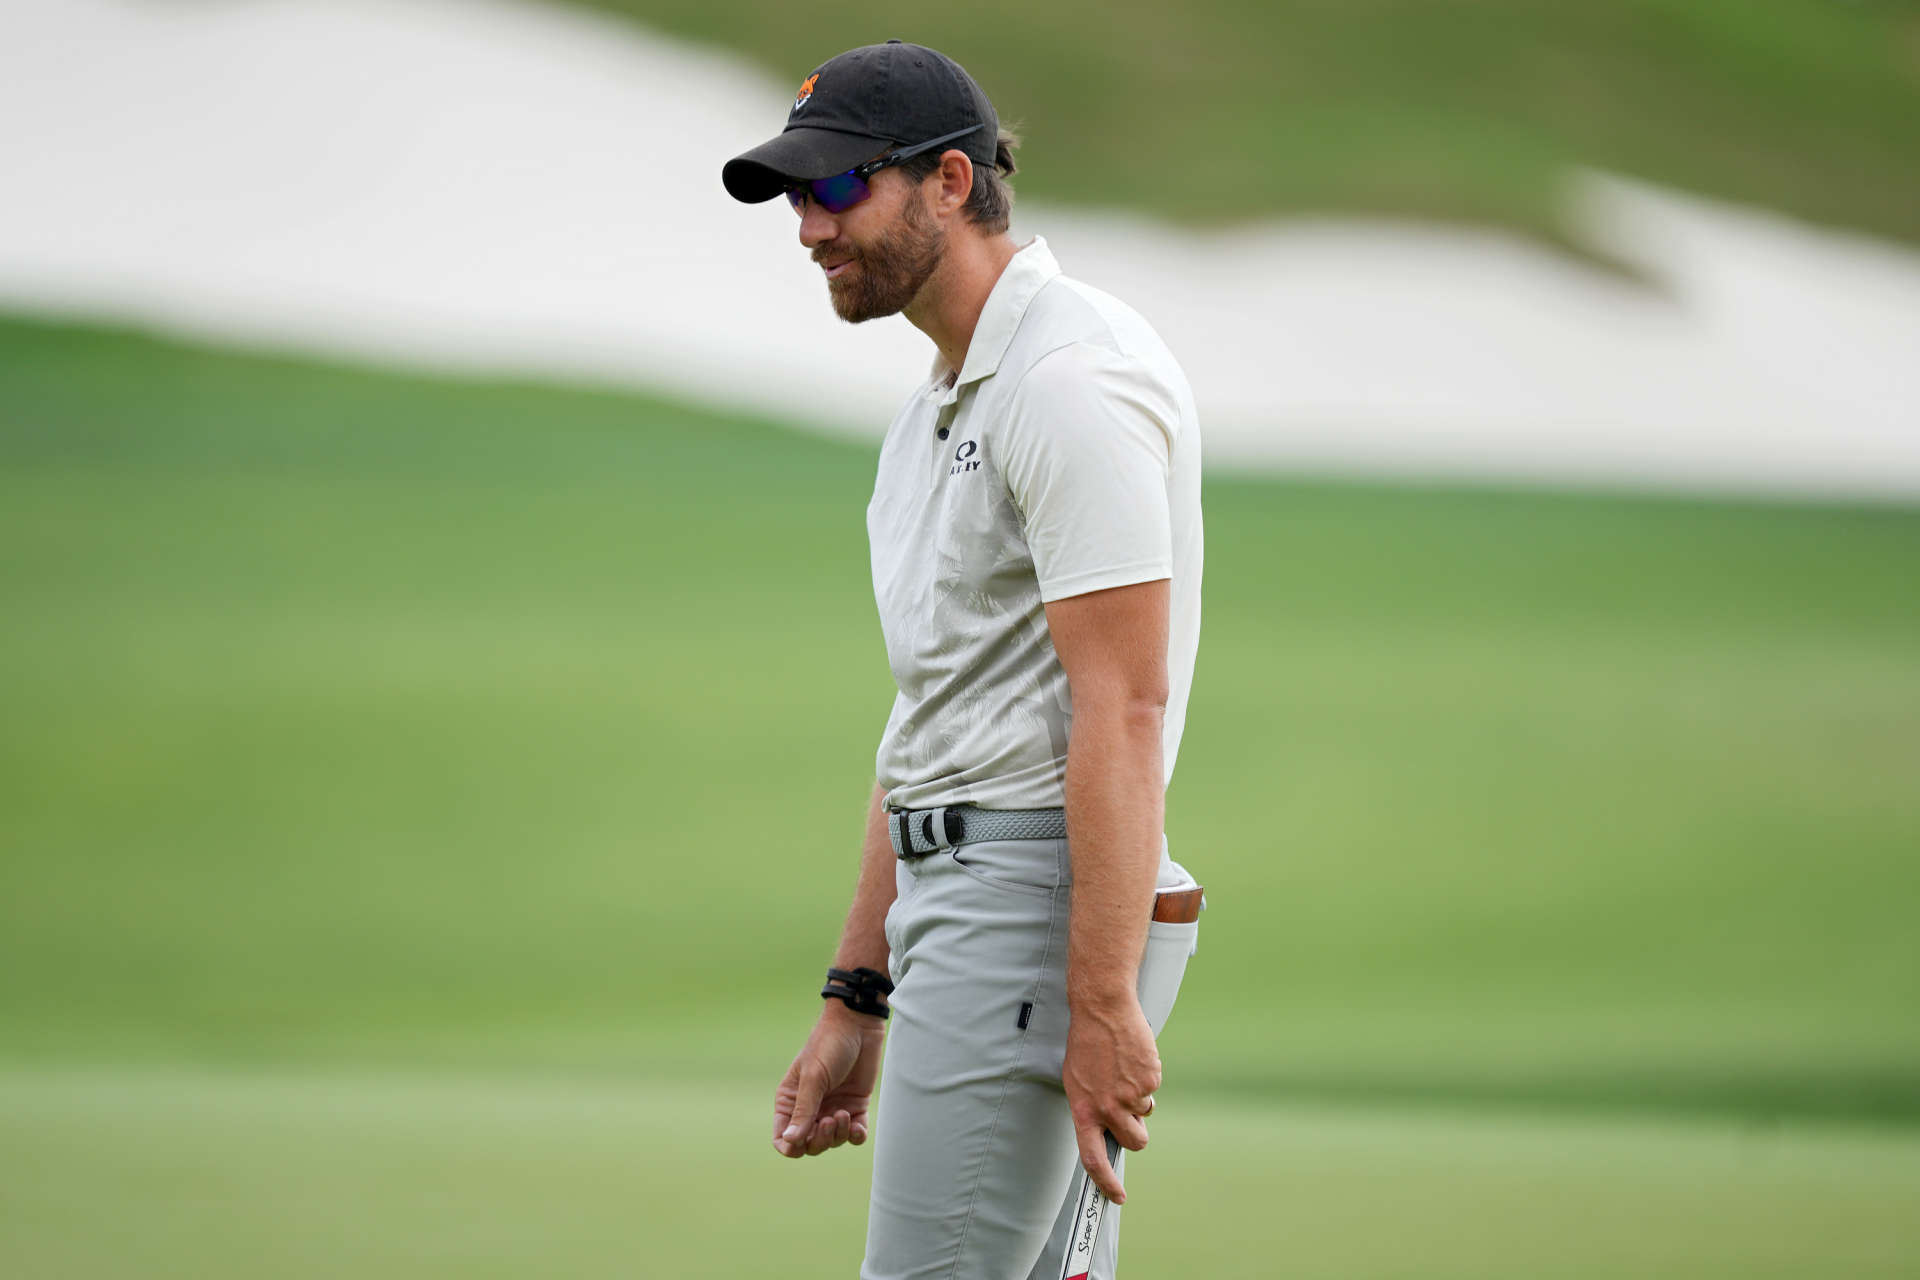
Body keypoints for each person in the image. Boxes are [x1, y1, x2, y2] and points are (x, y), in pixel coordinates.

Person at [721, 39, 1204, 1280]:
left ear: (949, 181)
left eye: (836, 190)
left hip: (1034, 902)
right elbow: (929, 718)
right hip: (973, 900)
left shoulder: (1067, 378)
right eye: (794, 198)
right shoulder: (935, 411)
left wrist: (1100, 1002)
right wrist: (855, 992)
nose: (807, 229)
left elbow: (1125, 705)